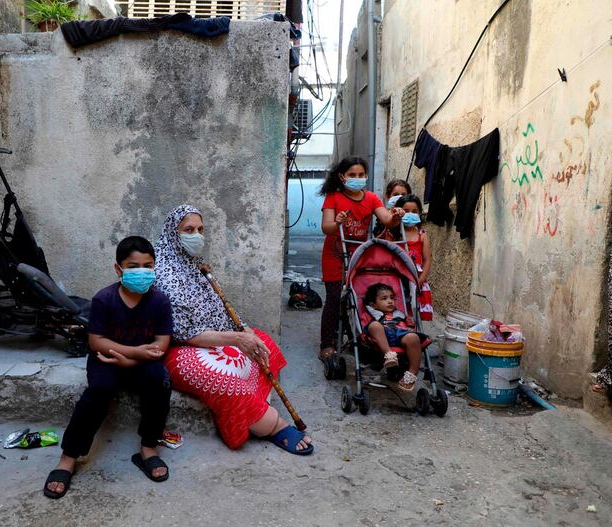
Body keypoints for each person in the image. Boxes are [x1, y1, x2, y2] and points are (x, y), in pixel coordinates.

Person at [154, 205, 313, 455]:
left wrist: (245, 331)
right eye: (188, 230)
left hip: (213, 338)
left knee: (263, 341)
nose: (196, 235)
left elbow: (223, 309)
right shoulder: (163, 273)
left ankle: (256, 405)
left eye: (200, 229)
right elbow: (185, 334)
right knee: (224, 378)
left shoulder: (196, 266)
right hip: (178, 350)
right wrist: (238, 339)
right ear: (173, 233)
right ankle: (271, 426)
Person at [43, 236, 174, 499]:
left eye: (148, 266)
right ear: (119, 269)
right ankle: (69, 457)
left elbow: (162, 343)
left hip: (143, 362)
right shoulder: (104, 299)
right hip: (106, 359)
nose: (142, 272)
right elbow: (96, 342)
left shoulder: (159, 301)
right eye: (134, 266)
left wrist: (134, 359)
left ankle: (148, 447)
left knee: (159, 381)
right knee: (100, 389)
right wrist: (132, 352)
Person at [318, 157, 405, 361]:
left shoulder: (372, 198)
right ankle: (327, 344)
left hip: (358, 255)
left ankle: (359, 338)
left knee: (358, 298)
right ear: (342, 177)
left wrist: (396, 215)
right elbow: (326, 227)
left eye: (360, 175)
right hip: (334, 255)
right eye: (352, 175)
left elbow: (387, 220)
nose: (357, 178)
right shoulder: (333, 197)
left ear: (366, 176)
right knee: (334, 298)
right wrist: (337, 222)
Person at [363, 283, 425, 391]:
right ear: (373, 305)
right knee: (374, 326)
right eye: (384, 298)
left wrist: (410, 327)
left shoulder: (399, 314)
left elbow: (409, 325)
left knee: (413, 337)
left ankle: (412, 372)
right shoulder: (370, 313)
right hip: (382, 336)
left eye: (392, 298)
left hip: (399, 333)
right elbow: (364, 327)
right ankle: (389, 355)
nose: (390, 301)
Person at [396, 195, 433, 321]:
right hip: (398, 277)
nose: (410, 214)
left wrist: (421, 280)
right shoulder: (395, 234)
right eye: (406, 211)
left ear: (419, 214)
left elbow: (427, 259)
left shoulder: (422, 235)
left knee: (414, 310)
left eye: (414, 211)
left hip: (417, 277)